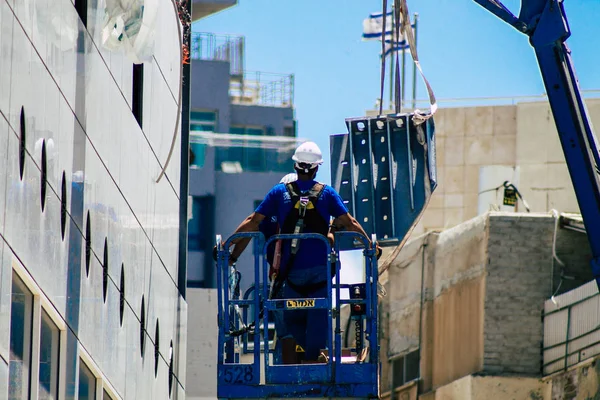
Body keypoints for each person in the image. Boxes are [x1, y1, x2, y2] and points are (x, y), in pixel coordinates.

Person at [222, 141, 381, 362]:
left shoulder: (279, 193)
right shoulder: (327, 194)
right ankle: (316, 358)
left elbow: (252, 223)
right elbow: (350, 223)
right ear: (316, 168)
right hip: (320, 274)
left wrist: (226, 249)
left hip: (290, 276)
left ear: (296, 166)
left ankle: (293, 363)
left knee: (291, 323)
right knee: (318, 317)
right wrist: (370, 246)